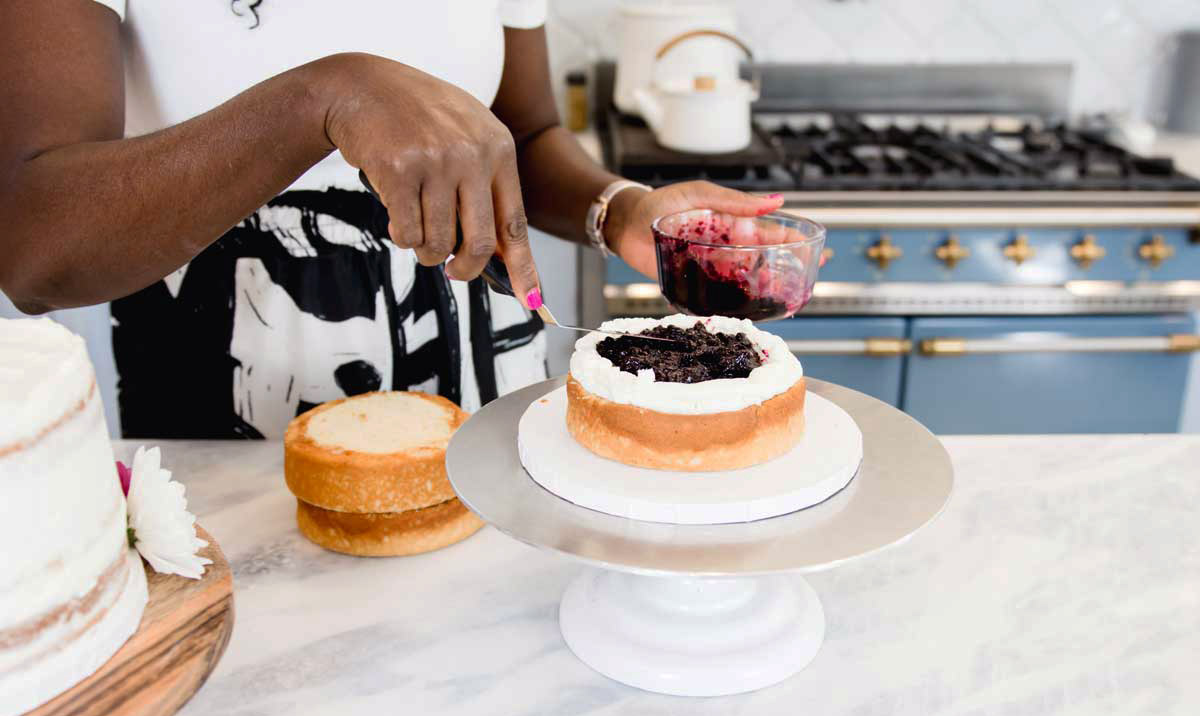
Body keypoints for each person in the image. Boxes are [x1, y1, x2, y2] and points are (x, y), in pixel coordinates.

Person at [0, 0, 783, 438]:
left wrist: (619, 211)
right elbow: (33, 247)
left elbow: (525, 132)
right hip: (226, 429)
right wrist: (326, 96)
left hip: (481, 403)